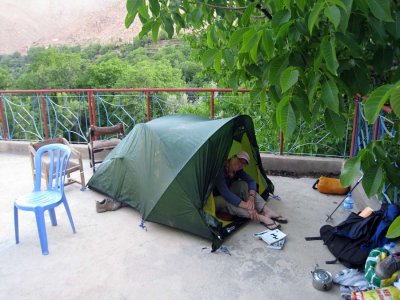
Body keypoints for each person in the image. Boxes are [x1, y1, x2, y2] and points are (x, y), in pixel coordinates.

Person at [214, 150, 287, 230]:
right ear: (233, 157)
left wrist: (251, 198)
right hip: (214, 199)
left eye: (243, 164)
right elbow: (225, 192)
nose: (240, 165)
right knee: (227, 201)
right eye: (239, 160)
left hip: (226, 192)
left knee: (243, 184)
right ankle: (261, 218)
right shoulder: (220, 169)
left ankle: (267, 210)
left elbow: (252, 181)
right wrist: (246, 206)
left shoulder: (237, 170)